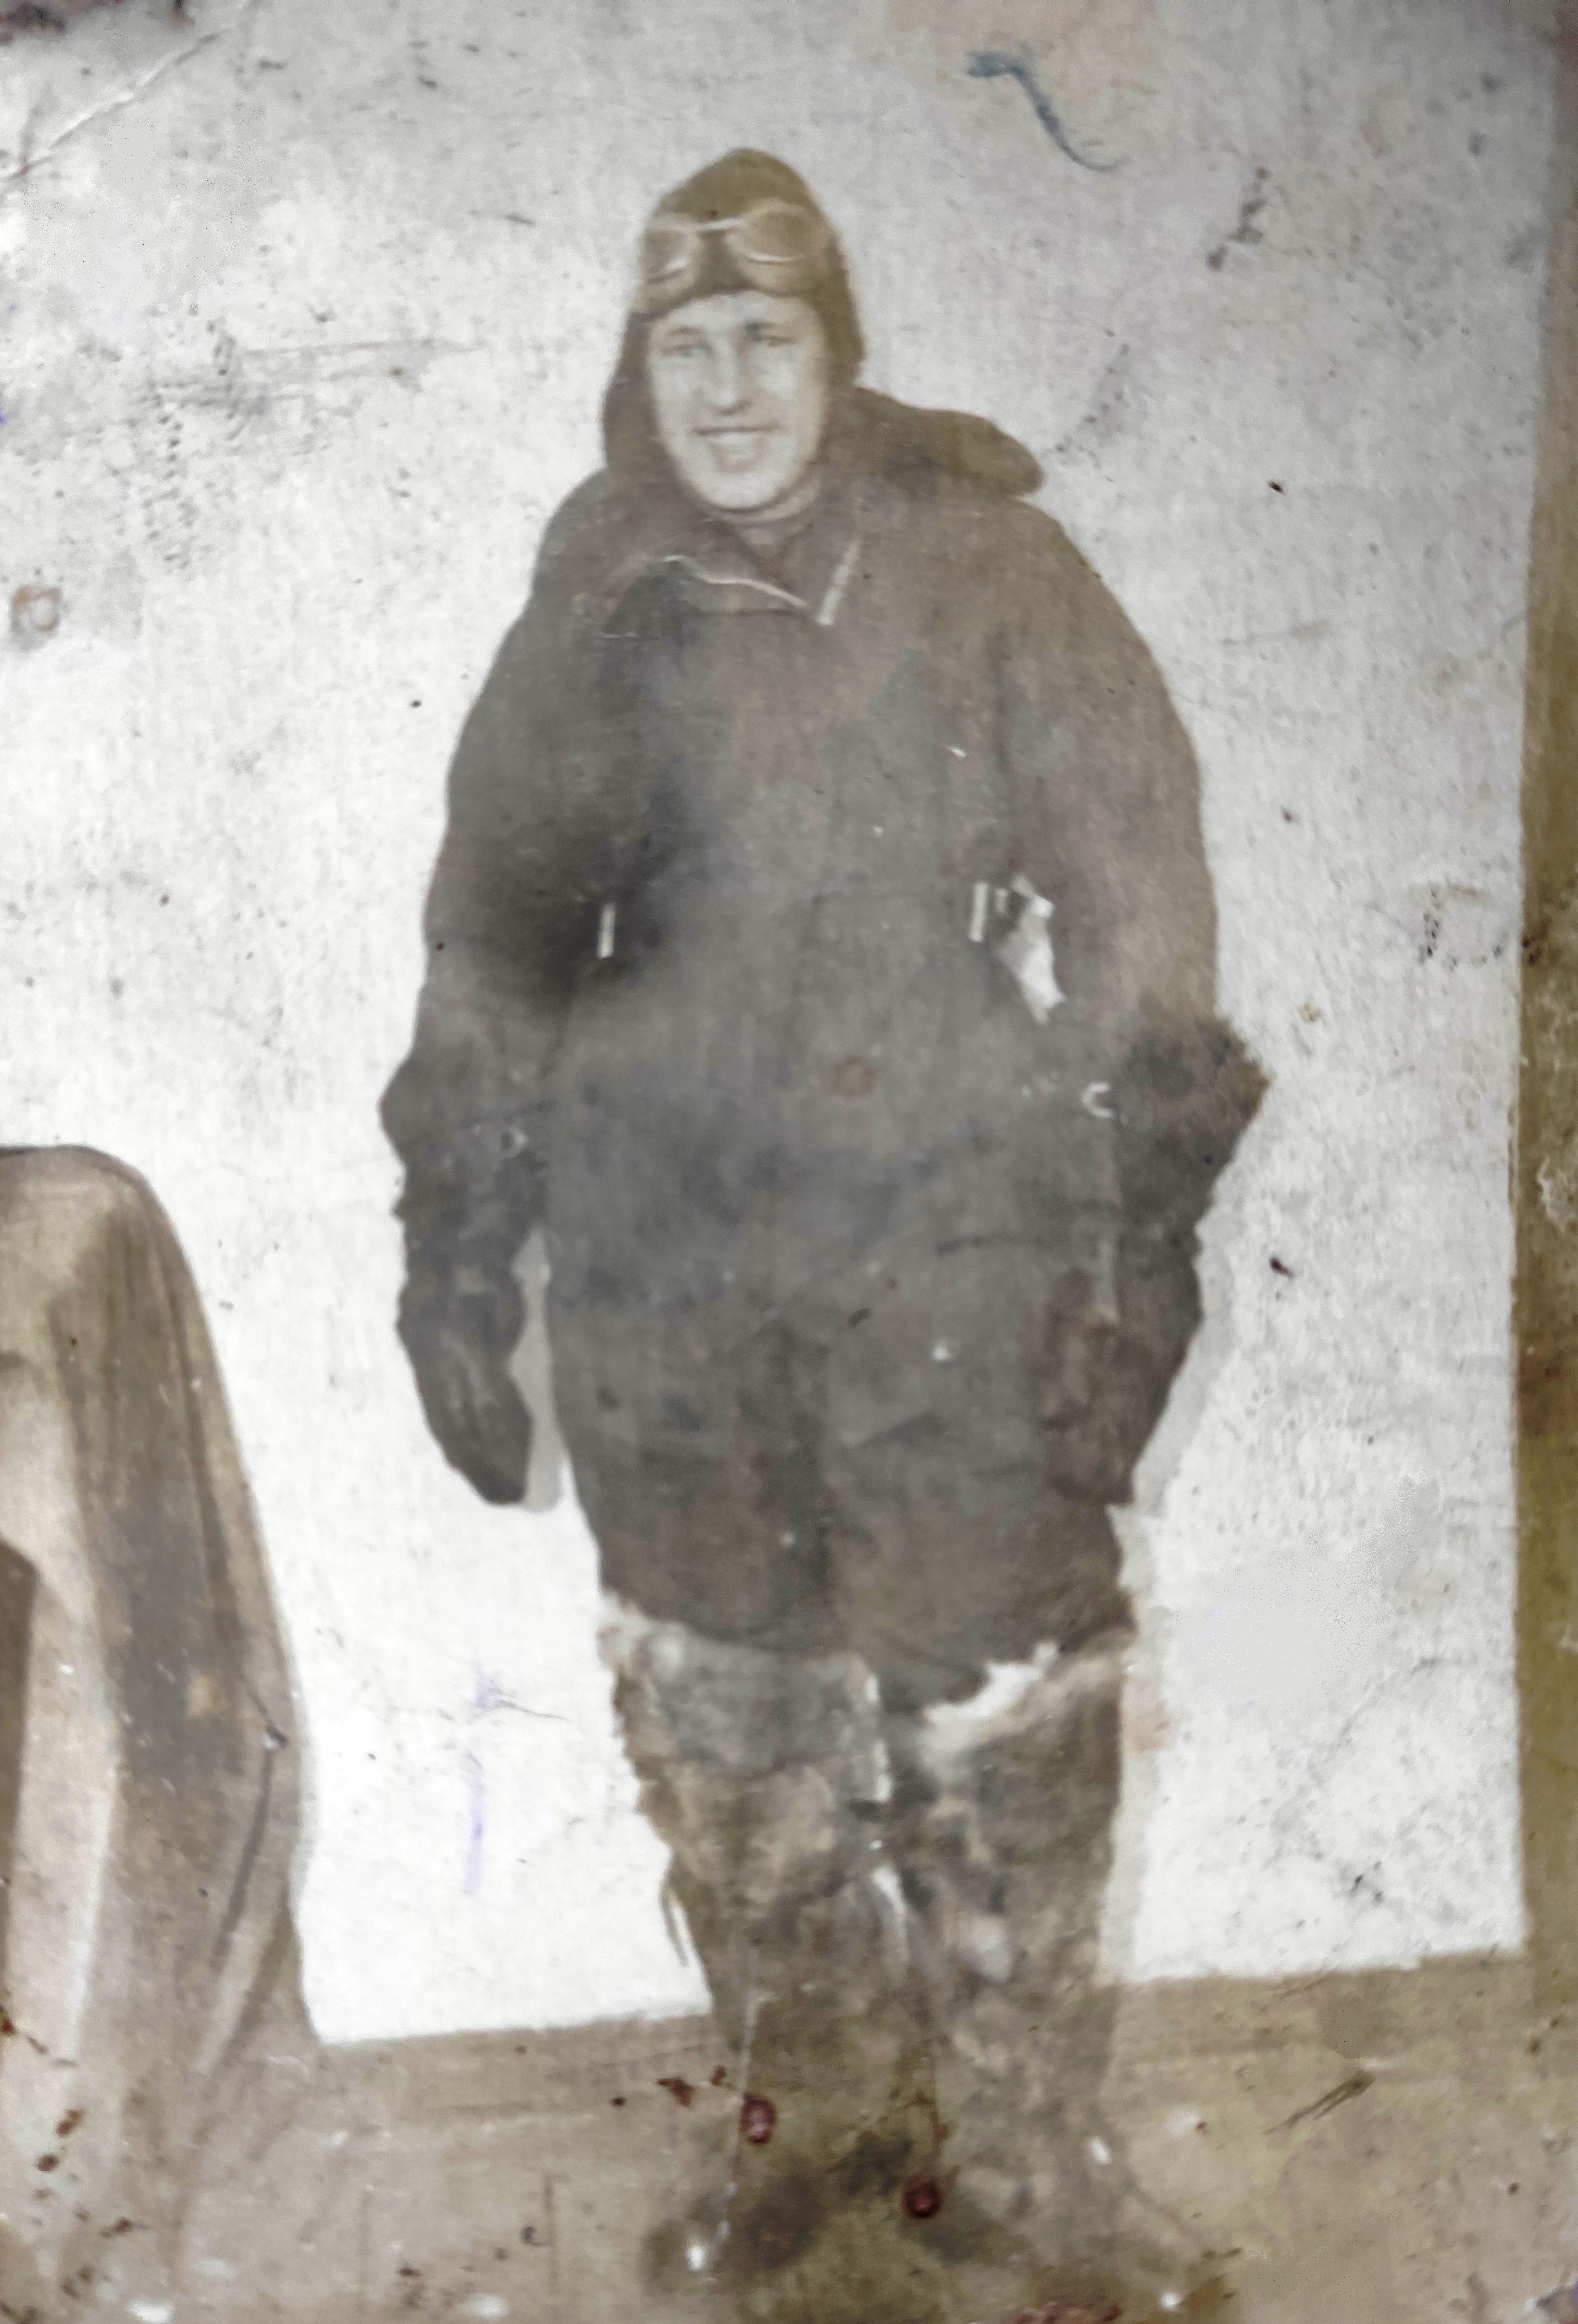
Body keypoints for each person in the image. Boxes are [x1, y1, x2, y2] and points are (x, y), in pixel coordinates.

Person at [383, 149, 1262, 2323]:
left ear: (834, 351)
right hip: (662, 1252)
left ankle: (1030, 2165)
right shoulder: (593, 601)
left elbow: (1138, 888)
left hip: (945, 1233)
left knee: (998, 1700)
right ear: (641, 369)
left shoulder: (987, 566)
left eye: (765, 339)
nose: (728, 388)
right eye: (687, 346)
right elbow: (491, 942)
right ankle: (812, 2119)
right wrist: (457, 1244)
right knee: (727, 1713)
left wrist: (1135, 1239)